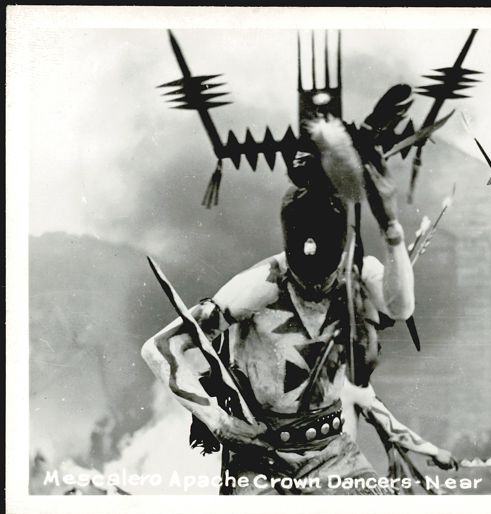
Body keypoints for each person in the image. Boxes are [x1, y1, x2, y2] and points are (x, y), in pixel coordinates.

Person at [141, 115, 415, 494]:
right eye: (304, 267)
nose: (315, 281)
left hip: (335, 454)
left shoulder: (359, 274)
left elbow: (401, 309)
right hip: (263, 459)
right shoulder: (262, 285)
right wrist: (220, 423)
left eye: (324, 268)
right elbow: (160, 346)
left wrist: (391, 230)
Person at [340, 378, 458, 494]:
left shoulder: (332, 383)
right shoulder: (353, 387)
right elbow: (393, 428)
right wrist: (435, 452)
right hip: (341, 471)